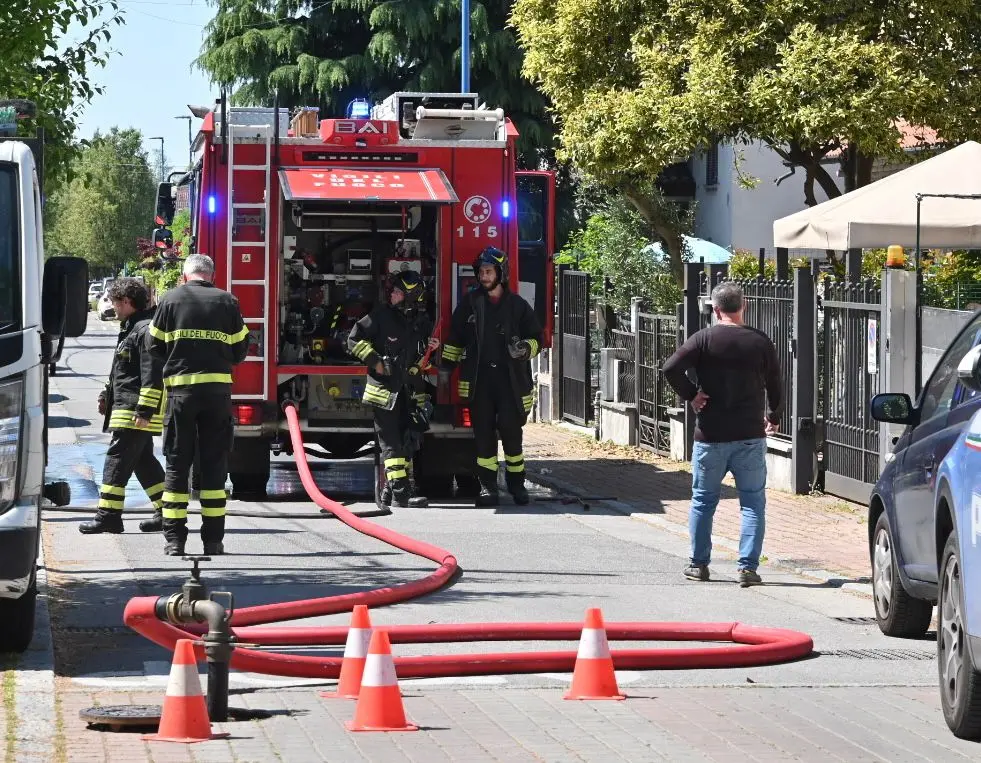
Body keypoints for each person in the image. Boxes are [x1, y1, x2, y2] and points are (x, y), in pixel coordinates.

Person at [662, 281, 783, 587]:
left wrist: (692, 394)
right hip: (749, 435)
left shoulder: (703, 339)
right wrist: (774, 416)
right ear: (744, 305)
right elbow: (775, 382)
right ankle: (748, 568)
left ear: (715, 309)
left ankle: (699, 564)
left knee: (703, 502)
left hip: (710, 435)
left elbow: (670, 368)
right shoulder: (760, 341)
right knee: (752, 503)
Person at [147, 254, 249, 556]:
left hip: (181, 395)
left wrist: (177, 359)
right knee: (214, 466)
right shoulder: (228, 301)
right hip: (217, 395)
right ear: (211, 275)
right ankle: (213, 541)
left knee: (177, 464)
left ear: (184, 276)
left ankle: (175, 541)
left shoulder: (170, 300)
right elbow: (240, 350)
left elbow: (153, 345)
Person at [441, 247, 543, 507]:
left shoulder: (517, 305)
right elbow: (455, 338)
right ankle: (488, 488)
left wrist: (524, 349)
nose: (483, 276)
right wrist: (445, 367)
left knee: (511, 433)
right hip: (480, 381)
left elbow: (537, 338)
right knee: (483, 436)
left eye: (488, 271)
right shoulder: (470, 304)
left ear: (501, 273)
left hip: (510, 382)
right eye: (481, 272)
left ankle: (516, 485)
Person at [80, 279, 167, 535]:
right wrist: (105, 395)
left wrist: (144, 411)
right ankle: (167, 512)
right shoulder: (131, 328)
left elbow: (152, 374)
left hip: (134, 411)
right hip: (127, 407)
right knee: (143, 462)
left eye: (114, 302)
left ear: (127, 302)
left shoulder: (144, 330)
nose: (112, 307)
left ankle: (108, 516)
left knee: (116, 460)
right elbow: (122, 371)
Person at [348, 269, 437, 508]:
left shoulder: (421, 322)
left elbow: (425, 358)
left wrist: (432, 350)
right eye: (394, 291)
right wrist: (376, 361)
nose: (393, 295)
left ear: (411, 296)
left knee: (407, 441)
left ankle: (389, 490)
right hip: (384, 392)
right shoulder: (381, 315)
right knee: (391, 442)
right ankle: (401, 493)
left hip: (410, 391)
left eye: (398, 292)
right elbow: (353, 339)